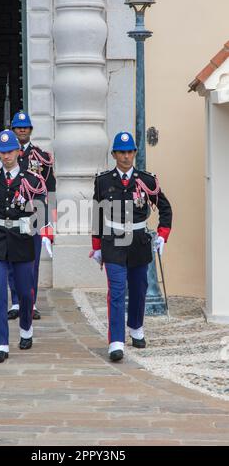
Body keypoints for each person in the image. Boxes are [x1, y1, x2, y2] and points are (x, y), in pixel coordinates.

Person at [90, 132, 172, 363]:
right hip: (113, 241)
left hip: (138, 241)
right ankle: (116, 341)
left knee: (138, 288)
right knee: (116, 290)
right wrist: (96, 246)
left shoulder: (147, 180)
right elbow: (97, 214)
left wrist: (163, 235)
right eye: (121, 152)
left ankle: (136, 327)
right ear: (114, 154)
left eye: (129, 152)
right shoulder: (103, 181)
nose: (125, 156)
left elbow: (165, 208)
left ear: (135, 153)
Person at [0, 130, 48, 363]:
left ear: (18, 151)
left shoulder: (33, 179)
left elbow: (43, 212)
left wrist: (32, 221)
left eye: (10, 152)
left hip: (21, 236)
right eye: (1, 152)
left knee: (25, 291)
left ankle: (26, 327)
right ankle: (1, 344)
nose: (6, 156)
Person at [7, 111, 56, 321]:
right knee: (10, 262)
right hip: (11, 216)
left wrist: (49, 224)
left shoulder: (41, 158)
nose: (22, 130)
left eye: (25, 127)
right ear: (13, 130)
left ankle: (31, 302)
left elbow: (50, 191)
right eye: (18, 127)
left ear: (31, 130)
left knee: (32, 263)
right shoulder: (3, 155)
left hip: (34, 217)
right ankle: (16, 302)